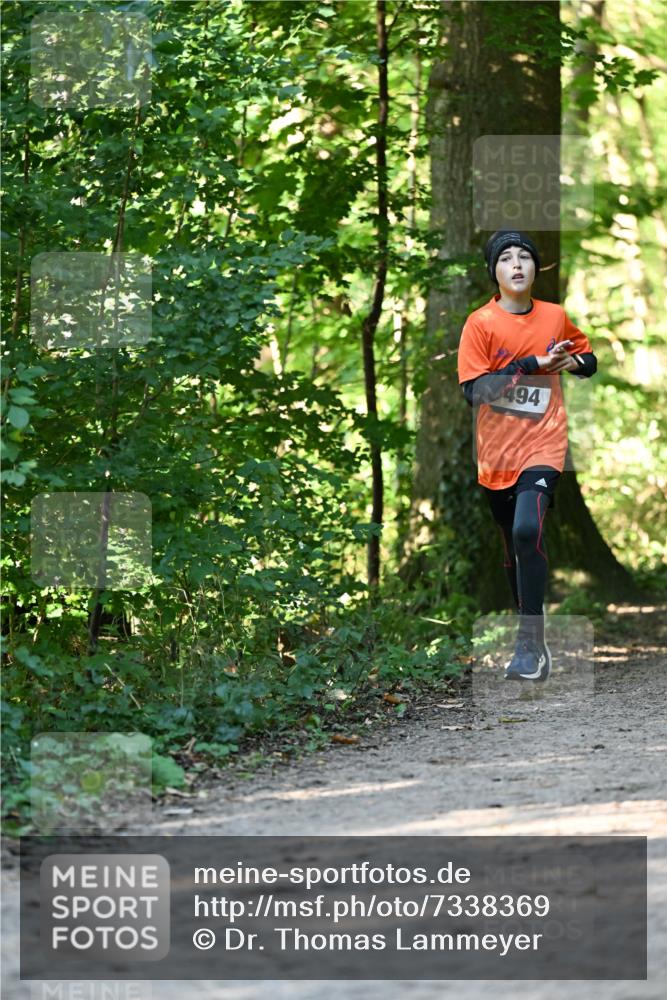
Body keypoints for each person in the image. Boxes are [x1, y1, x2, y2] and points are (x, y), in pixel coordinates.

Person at [457, 230, 598, 681]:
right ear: (493, 272)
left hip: (545, 442)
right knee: (511, 543)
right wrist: (531, 365)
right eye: (506, 258)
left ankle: (528, 647)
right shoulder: (480, 323)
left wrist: (572, 363)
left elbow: (588, 359)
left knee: (527, 529)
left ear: (536, 268)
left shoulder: (554, 316)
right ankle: (531, 636)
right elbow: (476, 392)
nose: (516, 264)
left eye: (524, 257)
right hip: (497, 453)